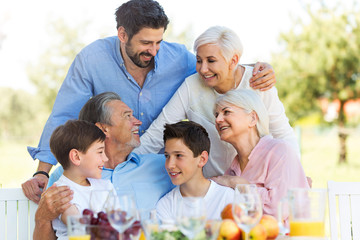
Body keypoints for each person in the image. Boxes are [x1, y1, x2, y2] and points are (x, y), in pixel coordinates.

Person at [22, 0, 275, 203]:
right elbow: (63, 115)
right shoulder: (92, 59)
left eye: (158, 42)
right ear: (122, 34)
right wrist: (43, 171)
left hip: (160, 169)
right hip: (109, 165)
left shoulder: (178, 58)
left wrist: (253, 69)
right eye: (145, 42)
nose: (154, 51)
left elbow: (215, 66)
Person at [134, 26, 298, 178]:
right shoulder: (192, 86)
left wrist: (297, 174)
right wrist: (122, 169)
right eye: (199, 60)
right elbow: (156, 134)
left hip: (258, 183)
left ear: (233, 61)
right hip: (214, 187)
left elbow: (282, 134)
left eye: (211, 61)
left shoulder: (258, 82)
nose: (203, 69)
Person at [33, 92, 174, 240]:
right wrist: (41, 218)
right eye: (127, 116)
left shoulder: (162, 165)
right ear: (103, 129)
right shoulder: (64, 177)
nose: (138, 122)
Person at [211, 89, 309, 217]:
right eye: (216, 115)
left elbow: (278, 209)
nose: (218, 120)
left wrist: (240, 185)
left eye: (227, 112)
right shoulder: (232, 170)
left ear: (252, 118)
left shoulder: (279, 151)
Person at [156, 121, 234, 224]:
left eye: (179, 155)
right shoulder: (166, 205)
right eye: (167, 156)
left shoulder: (228, 198)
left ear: (202, 159)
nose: (170, 165)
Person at [48, 120, 114, 239]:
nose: (105, 158)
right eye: (100, 152)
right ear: (76, 157)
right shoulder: (61, 194)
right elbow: (80, 228)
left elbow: (120, 223)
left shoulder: (106, 186)